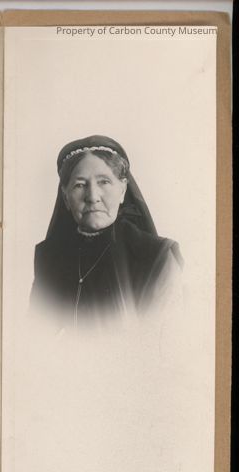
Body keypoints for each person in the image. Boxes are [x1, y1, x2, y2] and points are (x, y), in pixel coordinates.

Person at [30, 135, 183, 329]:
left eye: (104, 182)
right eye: (79, 185)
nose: (93, 197)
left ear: (123, 190)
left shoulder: (158, 257)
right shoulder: (48, 258)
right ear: (65, 197)